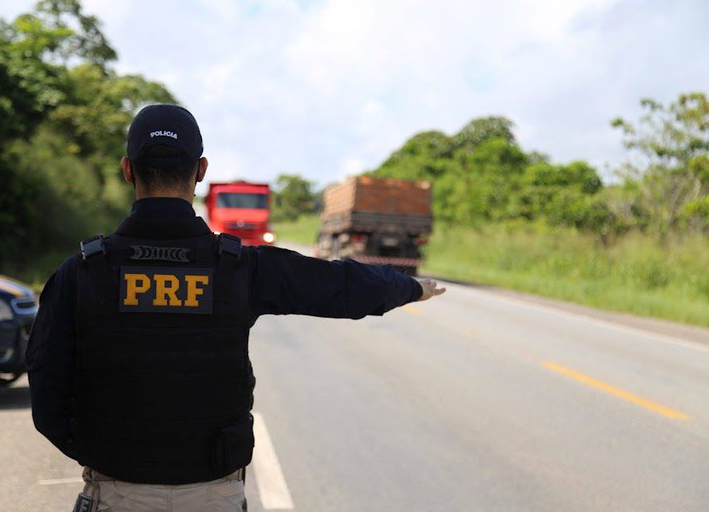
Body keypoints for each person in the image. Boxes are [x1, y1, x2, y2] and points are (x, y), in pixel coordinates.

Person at [27, 104, 446, 512]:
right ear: (201, 172)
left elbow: (47, 397)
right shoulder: (238, 266)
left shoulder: (79, 273)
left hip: (115, 494)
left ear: (127, 170)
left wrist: (111, 456)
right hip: (214, 496)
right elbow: (337, 285)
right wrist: (407, 287)